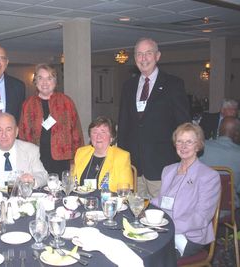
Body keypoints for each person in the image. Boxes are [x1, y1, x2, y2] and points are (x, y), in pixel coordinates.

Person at [117, 37, 190, 198]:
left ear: (157, 56)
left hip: (162, 166)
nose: (143, 59)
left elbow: (183, 126)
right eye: (139, 54)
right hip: (134, 167)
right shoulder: (128, 86)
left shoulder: (173, 84)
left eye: (148, 53)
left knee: (163, 214)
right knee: (136, 212)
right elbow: (123, 125)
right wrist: (122, 159)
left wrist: (184, 158)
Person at [152, 123, 220, 258]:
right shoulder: (168, 170)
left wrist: (168, 227)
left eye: (189, 142)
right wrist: (143, 207)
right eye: (180, 141)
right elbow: (160, 201)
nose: (183, 146)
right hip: (162, 230)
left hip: (188, 236)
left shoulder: (208, 176)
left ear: (198, 145)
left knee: (155, 257)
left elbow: (201, 218)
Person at [19, 63, 84, 175]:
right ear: (35, 81)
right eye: (40, 78)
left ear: (55, 81)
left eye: (49, 78)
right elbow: (22, 134)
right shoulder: (28, 104)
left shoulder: (66, 102)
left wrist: (78, 160)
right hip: (36, 159)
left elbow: (76, 133)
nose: (44, 82)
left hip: (62, 160)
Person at [0, 113, 47, 190]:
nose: (4, 135)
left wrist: (32, 180)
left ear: (16, 132)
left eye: (8, 130)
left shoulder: (31, 150)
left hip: (22, 199)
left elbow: (43, 175)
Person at [73, 116, 133, 191]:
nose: (98, 136)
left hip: (108, 201)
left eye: (103, 132)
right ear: (90, 137)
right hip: (81, 200)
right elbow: (73, 183)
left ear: (112, 137)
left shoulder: (121, 156)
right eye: (94, 132)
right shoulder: (81, 152)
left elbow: (125, 190)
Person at [200, 117, 240, 207]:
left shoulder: (202, 147)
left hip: (202, 206)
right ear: (237, 133)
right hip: (228, 211)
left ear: (219, 130)